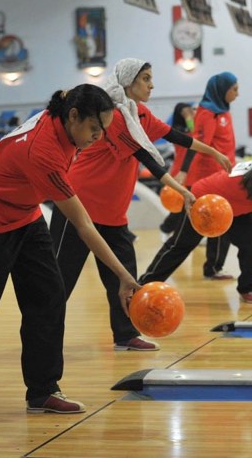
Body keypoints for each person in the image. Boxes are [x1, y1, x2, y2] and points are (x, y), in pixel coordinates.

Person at [0, 84, 140, 420]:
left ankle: (43, 390)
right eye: (95, 129)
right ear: (74, 116)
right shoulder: (43, 151)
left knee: (48, 299)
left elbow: (67, 93)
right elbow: (83, 225)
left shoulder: (65, 118)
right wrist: (123, 275)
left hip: (25, 214)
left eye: (103, 130)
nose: (99, 137)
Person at [49, 58, 231, 352]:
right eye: (145, 78)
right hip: (77, 207)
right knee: (61, 281)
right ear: (128, 81)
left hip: (113, 212)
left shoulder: (140, 114)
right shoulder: (116, 117)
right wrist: (182, 190)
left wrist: (214, 153)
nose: (151, 84)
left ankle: (124, 334)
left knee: (123, 275)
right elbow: (147, 159)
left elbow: (176, 136)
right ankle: (42, 337)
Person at [139, 155, 252, 304]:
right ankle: (143, 285)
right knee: (180, 246)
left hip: (230, 205)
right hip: (203, 200)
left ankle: (248, 289)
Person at [180, 72, 252, 280]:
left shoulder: (223, 111)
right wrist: (184, 171)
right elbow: (197, 144)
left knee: (242, 218)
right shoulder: (207, 113)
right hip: (210, 178)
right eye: (234, 89)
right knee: (220, 225)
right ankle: (213, 268)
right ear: (222, 90)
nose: (238, 94)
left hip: (227, 174)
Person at [159, 102, 195, 240]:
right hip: (180, 170)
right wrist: (189, 117)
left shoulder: (189, 126)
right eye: (185, 111)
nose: (190, 113)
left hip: (192, 170)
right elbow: (192, 136)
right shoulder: (177, 129)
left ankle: (194, 233)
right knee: (179, 205)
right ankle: (165, 228)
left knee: (191, 204)